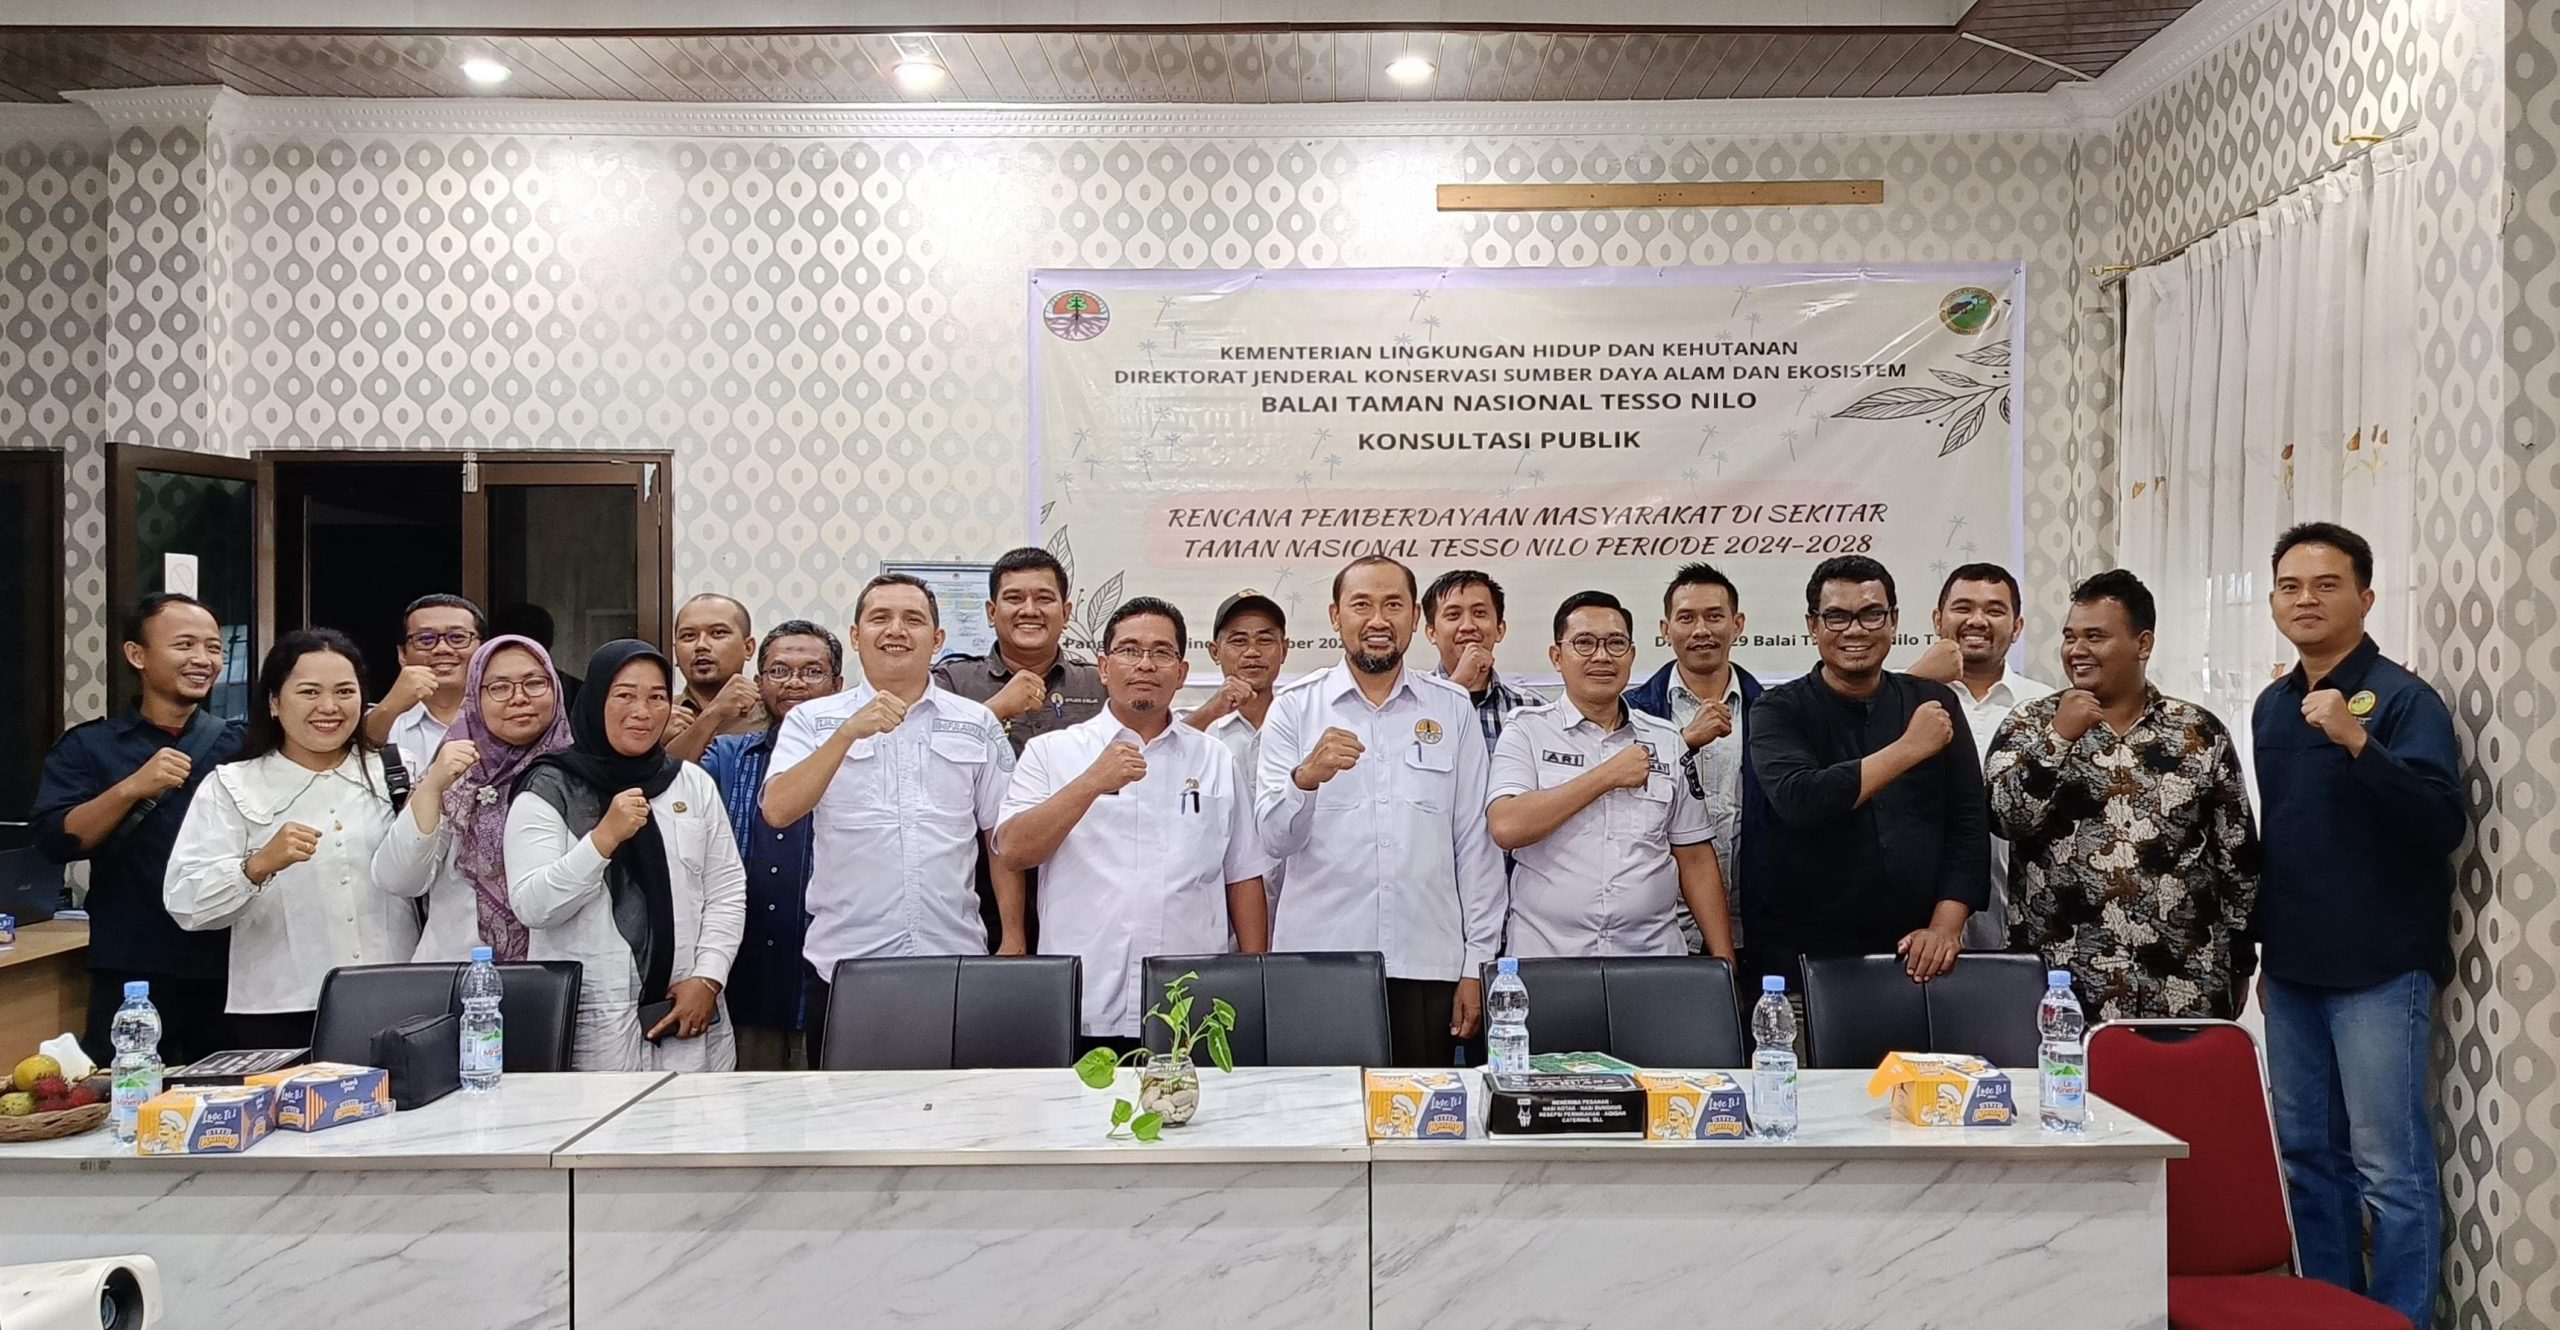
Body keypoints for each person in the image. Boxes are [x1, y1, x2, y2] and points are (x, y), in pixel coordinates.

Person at [2251, 522, 2463, 1325]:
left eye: (2326, 584)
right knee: (2309, 1160)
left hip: (2380, 969)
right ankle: (2330, 1313)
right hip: (2294, 970)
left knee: (2389, 1170)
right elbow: (2283, 840)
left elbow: (2440, 821)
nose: (2305, 599)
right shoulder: (2273, 705)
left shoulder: (2404, 699)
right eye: (2290, 586)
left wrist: (2356, 740)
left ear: (2366, 598)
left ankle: (2399, 1319)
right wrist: (2265, 956)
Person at [765, 574, 1025, 1065]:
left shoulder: (977, 723)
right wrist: (847, 734)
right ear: (856, 635)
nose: (896, 630)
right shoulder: (811, 720)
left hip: (955, 959)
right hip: (845, 967)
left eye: (913, 619)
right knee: (849, 1111)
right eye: (880, 618)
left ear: (937, 638)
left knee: (958, 1107)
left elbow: (1001, 838)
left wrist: (1013, 938)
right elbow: (778, 809)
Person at [1257, 556, 1505, 1065]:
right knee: (1322, 1112)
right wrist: (1305, 779)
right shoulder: (1295, 707)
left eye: (1393, 605)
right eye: (1361, 605)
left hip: (1428, 963)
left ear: (1415, 617)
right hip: (1320, 962)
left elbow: (1475, 847)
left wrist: (1477, 963)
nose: (1377, 620)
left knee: (1423, 1111)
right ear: (1335, 616)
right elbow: (1274, 841)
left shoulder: (1451, 707)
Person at [997, 598, 1271, 1055]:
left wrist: (1255, 975)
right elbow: (1013, 851)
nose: (1145, 664)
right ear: (1104, 667)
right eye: (1129, 650)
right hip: (1083, 1002)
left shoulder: (1214, 758)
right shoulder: (1052, 753)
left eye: (1161, 652)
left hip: (1190, 1007)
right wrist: (1090, 783)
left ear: (1181, 673)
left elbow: (1243, 874)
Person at [1985, 570, 2259, 1019]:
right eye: (2070, 637)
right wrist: (2058, 738)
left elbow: (2237, 857)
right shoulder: (2029, 724)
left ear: (2143, 644)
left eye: (2095, 637)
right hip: (2061, 990)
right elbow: (2004, 819)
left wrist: (2242, 960)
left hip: (2182, 986)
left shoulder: (2198, 732)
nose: (2077, 650)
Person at [164, 629, 420, 1050]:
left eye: (344, 692)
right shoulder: (232, 785)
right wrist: (256, 866)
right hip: (280, 1009)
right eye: (309, 692)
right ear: (274, 702)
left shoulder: (398, 771)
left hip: (397, 995)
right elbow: (186, 903)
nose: (329, 707)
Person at [1746, 556, 1989, 992]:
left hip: (1921, 956)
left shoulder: (1934, 702)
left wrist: (1945, 928)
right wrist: (1910, 748)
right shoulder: (1777, 709)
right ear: (1813, 625)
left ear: (1893, 621)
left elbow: (1968, 822)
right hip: (1808, 964)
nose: (1855, 630)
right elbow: (1801, 800)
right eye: (1836, 616)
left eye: (1872, 614)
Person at [505, 640, 747, 1072]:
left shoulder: (690, 783)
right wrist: (602, 840)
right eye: (624, 695)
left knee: (697, 1116)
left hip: (687, 1011)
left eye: (656, 697)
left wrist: (709, 977)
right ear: (597, 699)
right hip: (593, 1016)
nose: (642, 711)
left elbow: (726, 889)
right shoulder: (549, 788)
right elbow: (534, 906)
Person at [32, 594, 242, 1066]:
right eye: (184, 645)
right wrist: (131, 788)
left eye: (213, 647)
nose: (203, 659)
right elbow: (55, 840)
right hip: (133, 968)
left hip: (233, 963)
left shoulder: (241, 744)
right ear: (137, 655)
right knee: (127, 1097)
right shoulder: (89, 746)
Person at [1489, 592, 1731, 962]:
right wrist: (1606, 776)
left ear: (1631, 655)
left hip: (1651, 958)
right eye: (1584, 643)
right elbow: (1507, 826)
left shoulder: (1665, 739)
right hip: (1549, 958)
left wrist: (1725, 963)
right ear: (1557, 657)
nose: (1602, 656)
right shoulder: (1526, 730)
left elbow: (1695, 857)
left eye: (1616, 643)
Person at [935, 547, 1105, 953]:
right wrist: (995, 710)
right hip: (977, 886)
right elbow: (925, 755)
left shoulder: (1098, 684)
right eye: (1014, 598)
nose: (1029, 610)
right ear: (991, 612)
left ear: (1066, 611)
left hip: (1085, 879)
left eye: (1044, 598)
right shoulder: (952, 682)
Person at [369, 635, 571, 963]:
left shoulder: (577, 777)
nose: (519, 698)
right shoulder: (455, 775)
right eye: (499, 687)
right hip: (457, 971)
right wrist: (432, 787)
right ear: (475, 696)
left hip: (557, 972)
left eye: (535, 683)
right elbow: (398, 879)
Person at [696, 620, 843, 1071]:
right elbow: (662, 781)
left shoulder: (859, 756)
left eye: (812, 671)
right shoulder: (730, 755)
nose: (794, 683)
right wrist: (713, 714)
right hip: (747, 975)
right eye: (779, 671)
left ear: (838, 685)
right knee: (751, 1106)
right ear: (759, 683)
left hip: (832, 976)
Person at [1907, 562, 2054, 950]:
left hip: (2023, 919)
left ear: (2017, 627)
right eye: (1963, 607)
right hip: (1917, 924)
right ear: (1937, 620)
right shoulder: (1901, 698)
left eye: (1994, 610)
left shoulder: (2046, 708)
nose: (1977, 620)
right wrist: (1915, 681)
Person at [1625, 563, 1764, 955]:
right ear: (1665, 629)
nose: (1701, 630)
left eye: (1714, 616)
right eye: (1686, 618)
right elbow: (1619, 806)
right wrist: (1683, 742)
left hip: (1754, 928)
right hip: (1657, 931)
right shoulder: (1630, 712)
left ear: (1737, 624)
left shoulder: (1773, 712)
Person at [1421, 569, 1539, 752]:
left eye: (1480, 613)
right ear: (1431, 633)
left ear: (1500, 629)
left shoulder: (1532, 709)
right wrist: (1456, 686)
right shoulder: (1411, 704)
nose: (1468, 626)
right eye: (1453, 615)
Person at [361, 594, 485, 756]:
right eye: (426, 639)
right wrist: (389, 708)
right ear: (402, 654)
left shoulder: (508, 713)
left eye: (457, 637)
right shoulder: (382, 720)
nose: (442, 649)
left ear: (484, 649)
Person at [664, 594, 765, 745]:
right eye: (688, 636)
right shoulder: (659, 717)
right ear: (675, 653)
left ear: (748, 648)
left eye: (718, 633)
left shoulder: (772, 714)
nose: (701, 645)